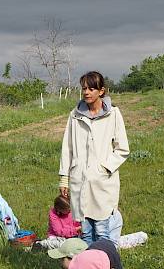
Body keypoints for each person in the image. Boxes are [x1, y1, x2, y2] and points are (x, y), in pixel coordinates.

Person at [59, 71, 130, 247]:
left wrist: (104, 168)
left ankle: (104, 262)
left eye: (91, 88)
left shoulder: (113, 114)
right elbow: (67, 148)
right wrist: (64, 178)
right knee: (85, 231)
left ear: (101, 91)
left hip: (102, 182)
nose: (87, 92)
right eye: (84, 88)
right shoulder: (75, 116)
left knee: (102, 230)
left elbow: (122, 149)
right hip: (79, 179)